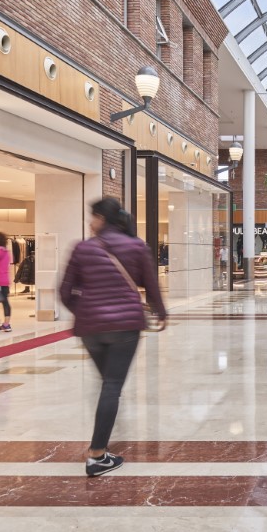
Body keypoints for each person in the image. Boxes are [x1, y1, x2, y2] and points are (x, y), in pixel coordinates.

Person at [60, 197, 167, 476]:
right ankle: (97, 455)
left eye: (92, 217)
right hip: (125, 327)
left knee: (108, 383)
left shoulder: (82, 248)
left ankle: (102, 443)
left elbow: (64, 292)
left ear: (102, 219)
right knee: (112, 385)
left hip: (90, 330)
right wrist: (161, 311)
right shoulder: (136, 246)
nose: (90, 223)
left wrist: (85, 311)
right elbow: (151, 285)